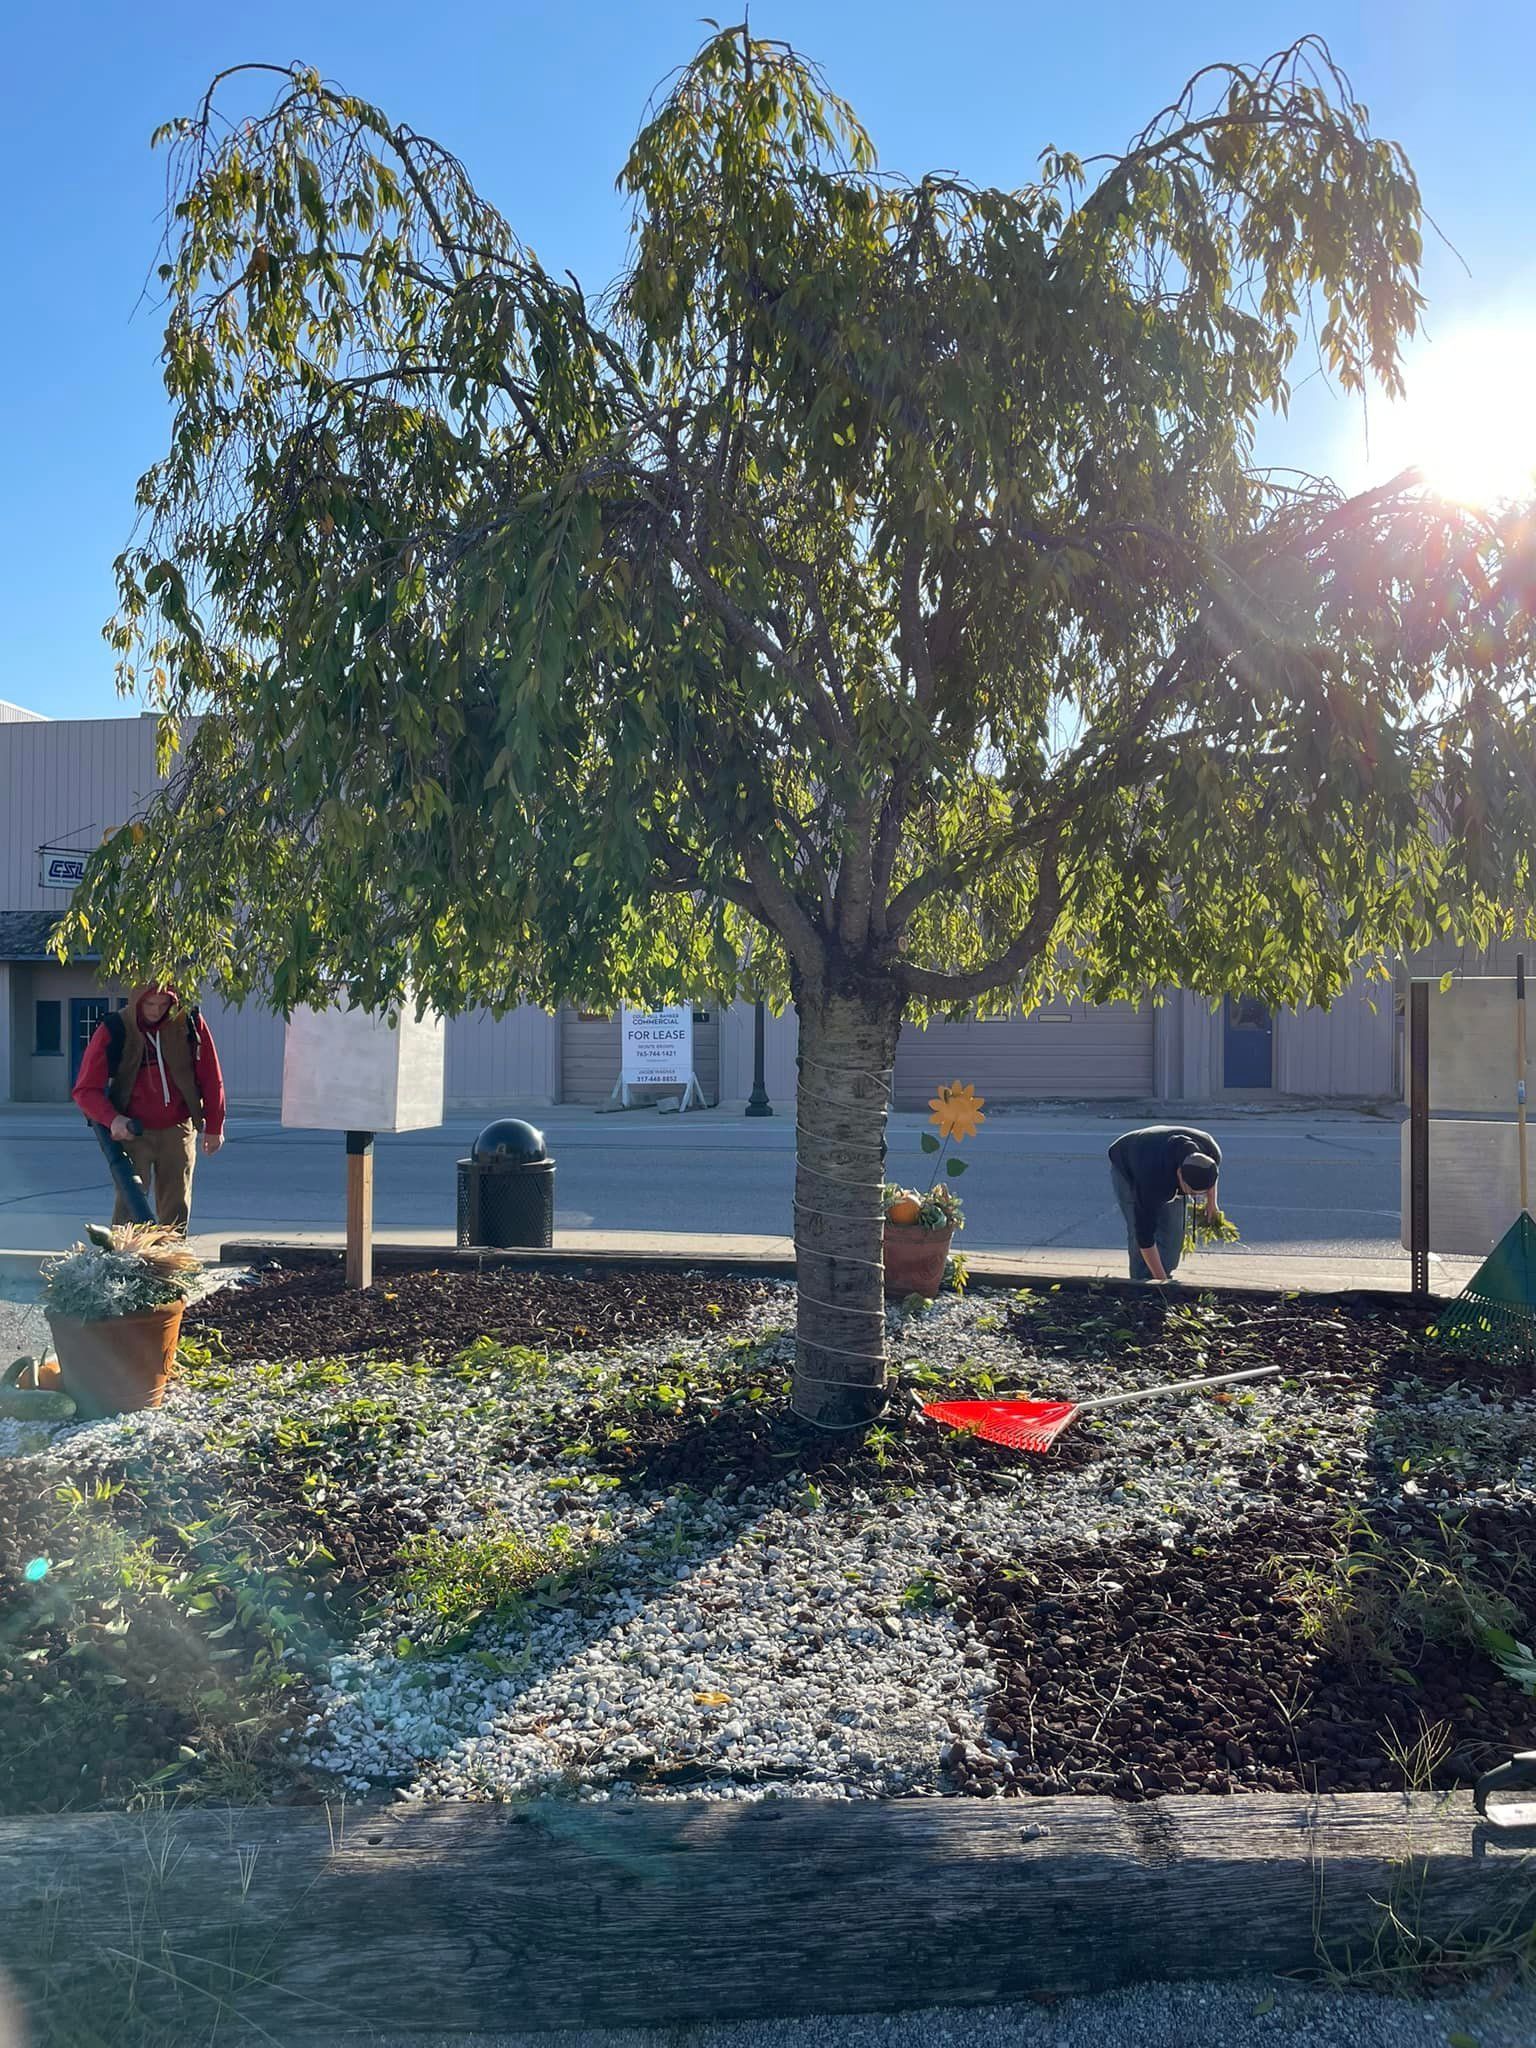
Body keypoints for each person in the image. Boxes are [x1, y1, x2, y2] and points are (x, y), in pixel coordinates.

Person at [72, 982, 226, 1231]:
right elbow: (85, 1090)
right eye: (149, 1004)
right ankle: (125, 1263)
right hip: (133, 1132)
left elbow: (211, 1076)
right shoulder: (115, 1028)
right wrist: (112, 1119)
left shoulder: (189, 1022)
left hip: (179, 1130)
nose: (156, 1011)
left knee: (176, 1207)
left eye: (163, 1004)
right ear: (136, 1001)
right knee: (130, 1206)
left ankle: (170, 1263)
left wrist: (215, 1125)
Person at [1107, 1123, 1221, 1284]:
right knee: (1138, 1230)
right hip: (1127, 1161)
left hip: (1161, 1151)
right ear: (1179, 1173)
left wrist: (1212, 1202)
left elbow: (1211, 1175)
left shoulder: (1210, 1151)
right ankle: (1142, 1283)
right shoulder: (1152, 1181)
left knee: (1174, 1233)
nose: (1195, 1197)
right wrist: (1161, 1284)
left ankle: (1163, 1273)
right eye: (1192, 1193)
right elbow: (1144, 1237)